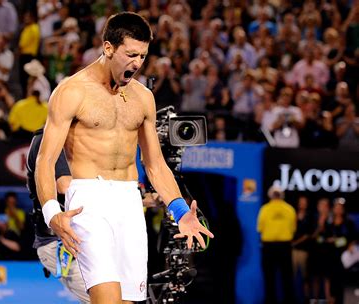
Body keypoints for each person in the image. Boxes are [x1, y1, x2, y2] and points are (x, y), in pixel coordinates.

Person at [35, 12, 213, 303]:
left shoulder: (143, 97)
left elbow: (154, 164)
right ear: (108, 49)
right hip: (88, 202)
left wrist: (180, 211)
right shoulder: (71, 92)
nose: (137, 63)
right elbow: (45, 160)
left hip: (130, 201)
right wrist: (52, 213)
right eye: (130, 54)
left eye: (142, 56)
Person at [27, 128, 90, 303]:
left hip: (78, 239)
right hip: (59, 242)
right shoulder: (49, 138)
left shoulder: (75, 139)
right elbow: (65, 186)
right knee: (103, 299)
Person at [257, 185, 296, 304]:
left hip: (269, 247)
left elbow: (260, 228)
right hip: (285, 246)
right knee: (287, 277)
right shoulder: (290, 209)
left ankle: (270, 301)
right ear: (282, 195)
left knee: (269, 277)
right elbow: (293, 229)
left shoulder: (265, 209)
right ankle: (288, 300)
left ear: (270, 195)